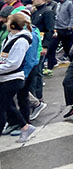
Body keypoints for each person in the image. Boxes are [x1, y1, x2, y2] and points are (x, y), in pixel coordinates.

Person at [0, 13, 36, 143]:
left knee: (2, 106)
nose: (6, 23)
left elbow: (14, 63)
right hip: (5, 78)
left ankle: (25, 127)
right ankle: (25, 127)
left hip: (13, 78)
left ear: (14, 25)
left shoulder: (21, 41)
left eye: (8, 22)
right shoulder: (9, 38)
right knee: (8, 105)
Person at [46, 0, 73, 71]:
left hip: (65, 30)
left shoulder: (69, 3)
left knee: (67, 49)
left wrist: (69, 27)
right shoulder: (58, 4)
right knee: (51, 48)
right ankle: (50, 66)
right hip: (57, 29)